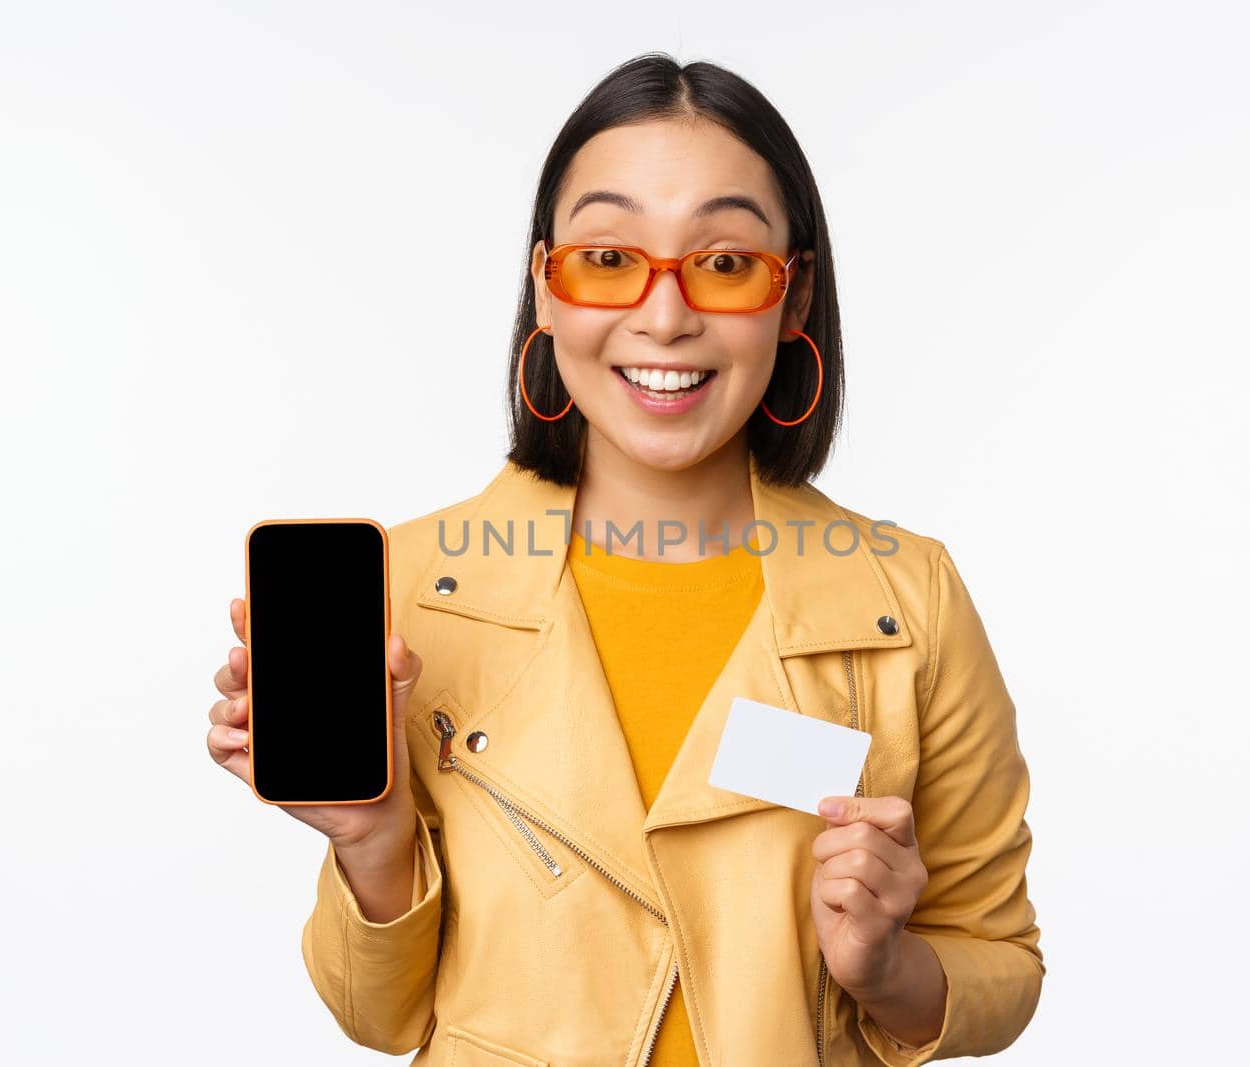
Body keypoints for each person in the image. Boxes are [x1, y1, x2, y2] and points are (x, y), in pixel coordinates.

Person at [206, 52, 1043, 1066]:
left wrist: (886, 967)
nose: (663, 314)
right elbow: (380, 1016)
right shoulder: (411, 590)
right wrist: (372, 839)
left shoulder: (905, 600)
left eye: (724, 262)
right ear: (545, 289)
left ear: (793, 298)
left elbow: (1000, 961)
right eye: (608, 259)